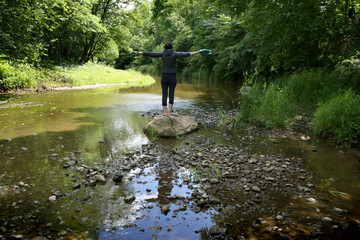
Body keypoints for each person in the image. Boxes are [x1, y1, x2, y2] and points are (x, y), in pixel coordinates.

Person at [134, 41, 201, 116]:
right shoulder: (175, 53)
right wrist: (197, 52)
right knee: (171, 94)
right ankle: (169, 112)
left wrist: (140, 52)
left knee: (164, 94)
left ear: (164, 48)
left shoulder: (162, 53)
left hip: (164, 76)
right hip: (172, 76)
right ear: (172, 47)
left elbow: (152, 54)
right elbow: (186, 54)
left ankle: (164, 112)